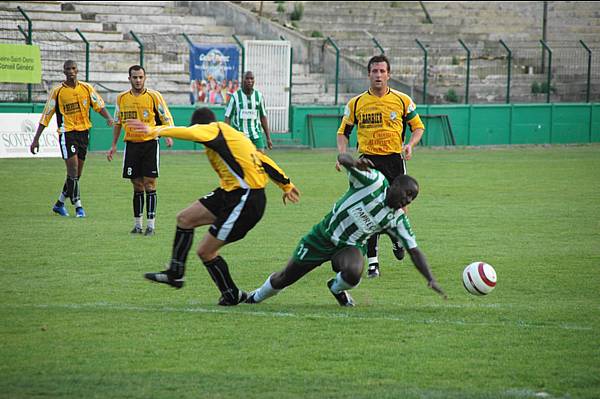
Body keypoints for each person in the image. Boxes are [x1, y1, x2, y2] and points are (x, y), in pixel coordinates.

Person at [126, 108, 300, 306]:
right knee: (185, 218)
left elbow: (191, 132)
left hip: (246, 199)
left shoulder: (212, 129)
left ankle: (231, 294)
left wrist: (156, 130)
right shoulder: (230, 134)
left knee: (205, 251)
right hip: (230, 193)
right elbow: (262, 159)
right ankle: (175, 273)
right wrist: (286, 184)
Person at [246, 153, 446, 306]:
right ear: (394, 186)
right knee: (285, 278)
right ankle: (254, 297)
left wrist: (430, 279)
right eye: (408, 193)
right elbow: (342, 158)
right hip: (322, 237)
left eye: (413, 198)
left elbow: (414, 250)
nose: (408, 200)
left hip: (350, 246)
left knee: (353, 272)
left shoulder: (397, 219)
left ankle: (336, 288)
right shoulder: (373, 181)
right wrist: (354, 164)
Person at [336, 54, 425, 279]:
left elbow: (418, 127)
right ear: (369, 74)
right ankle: (373, 262)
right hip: (367, 161)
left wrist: (410, 145)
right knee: (368, 209)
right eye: (374, 71)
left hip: (394, 160)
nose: (378, 75)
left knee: (399, 208)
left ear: (389, 74)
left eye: (382, 71)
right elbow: (343, 132)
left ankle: (396, 238)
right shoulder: (356, 103)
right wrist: (342, 155)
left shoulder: (402, 100)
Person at [29, 60, 114, 218]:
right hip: (66, 133)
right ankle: (78, 207)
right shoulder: (58, 91)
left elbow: (98, 105)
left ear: (77, 70)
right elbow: (46, 115)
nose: (71, 71)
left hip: (83, 133)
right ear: (64, 71)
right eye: (68, 69)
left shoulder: (87, 88)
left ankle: (60, 204)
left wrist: (108, 118)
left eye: (73, 68)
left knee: (76, 174)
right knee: (73, 169)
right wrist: (36, 139)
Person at [106, 65, 174, 236]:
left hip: (150, 144)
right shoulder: (121, 98)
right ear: (129, 78)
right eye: (134, 77)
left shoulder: (154, 96)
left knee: (150, 184)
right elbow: (118, 122)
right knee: (137, 185)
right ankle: (137, 225)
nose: (138, 80)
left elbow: (165, 117)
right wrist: (113, 145)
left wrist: (168, 134)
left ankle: (150, 226)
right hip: (131, 146)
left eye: (140, 77)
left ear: (145, 78)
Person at [224, 70, 273, 152]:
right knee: (242, 162)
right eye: (247, 78)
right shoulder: (235, 96)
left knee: (260, 160)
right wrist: (226, 136)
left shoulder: (259, 96)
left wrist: (268, 138)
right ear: (243, 80)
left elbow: (263, 117)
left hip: (256, 135)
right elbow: (228, 116)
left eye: (252, 78)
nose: (249, 81)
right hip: (239, 135)